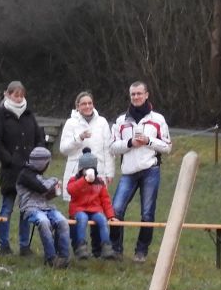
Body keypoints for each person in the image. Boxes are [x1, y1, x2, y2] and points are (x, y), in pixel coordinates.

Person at [108, 81, 172, 261]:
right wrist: (130, 143)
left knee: (147, 213)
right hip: (128, 172)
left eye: (139, 94)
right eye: (133, 94)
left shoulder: (158, 119)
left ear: (146, 95)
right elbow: (112, 147)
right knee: (116, 209)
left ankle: (141, 251)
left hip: (150, 170)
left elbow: (167, 147)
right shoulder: (121, 121)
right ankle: (116, 249)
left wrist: (148, 141)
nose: (136, 97)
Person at [0, 80, 46, 255]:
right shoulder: (0, 115)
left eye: (21, 95)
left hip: (29, 170)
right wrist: (9, 160)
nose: (19, 98)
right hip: (10, 170)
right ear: (8, 94)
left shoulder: (29, 115)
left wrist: (37, 159)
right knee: (7, 207)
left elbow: (39, 138)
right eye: (16, 95)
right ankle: (4, 245)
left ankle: (24, 245)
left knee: (25, 209)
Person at [58, 91, 111, 253]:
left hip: (98, 172)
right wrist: (79, 138)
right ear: (77, 106)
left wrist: (109, 173)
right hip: (77, 174)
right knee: (78, 214)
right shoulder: (71, 123)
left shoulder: (102, 122)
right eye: (83, 104)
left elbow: (108, 149)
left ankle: (99, 248)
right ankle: (78, 246)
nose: (87, 106)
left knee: (98, 209)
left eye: (90, 103)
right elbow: (63, 149)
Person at [17, 147, 71, 268]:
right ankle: (51, 258)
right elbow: (42, 188)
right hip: (30, 208)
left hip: (45, 207)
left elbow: (44, 195)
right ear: (41, 163)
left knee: (63, 222)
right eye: (47, 163)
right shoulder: (25, 174)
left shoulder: (38, 175)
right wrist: (54, 180)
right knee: (44, 222)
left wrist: (55, 191)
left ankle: (63, 257)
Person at [65, 149, 118, 260]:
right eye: (86, 170)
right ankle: (81, 246)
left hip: (95, 210)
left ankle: (106, 246)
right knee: (82, 219)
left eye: (92, 169)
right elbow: (71, 190)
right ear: (81, 169)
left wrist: (111, 216)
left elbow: (105, 200)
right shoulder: (74, 180)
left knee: (102, 220)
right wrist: (84, 180)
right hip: (79, 210)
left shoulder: (99, 182)